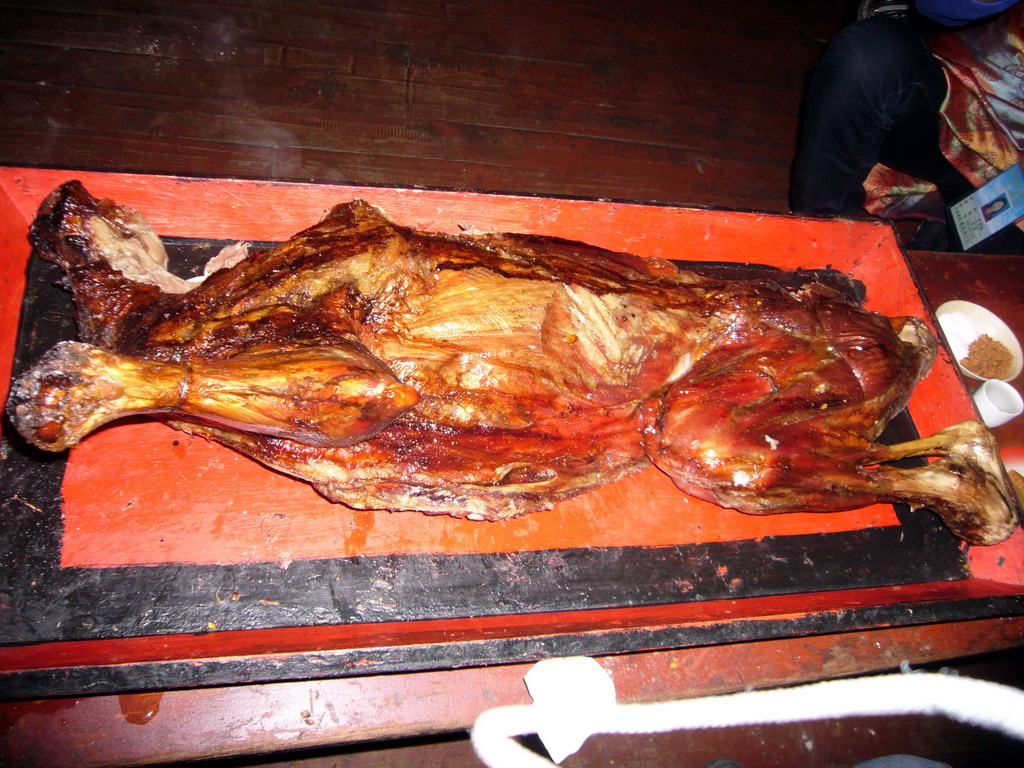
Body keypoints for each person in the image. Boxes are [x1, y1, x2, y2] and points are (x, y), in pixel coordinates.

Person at [790, 0, 1024, 251]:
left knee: (970, 282)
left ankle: (942, 239)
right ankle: (820, 231)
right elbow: (939, 9)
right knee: (871, 53)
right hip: (961, 112)